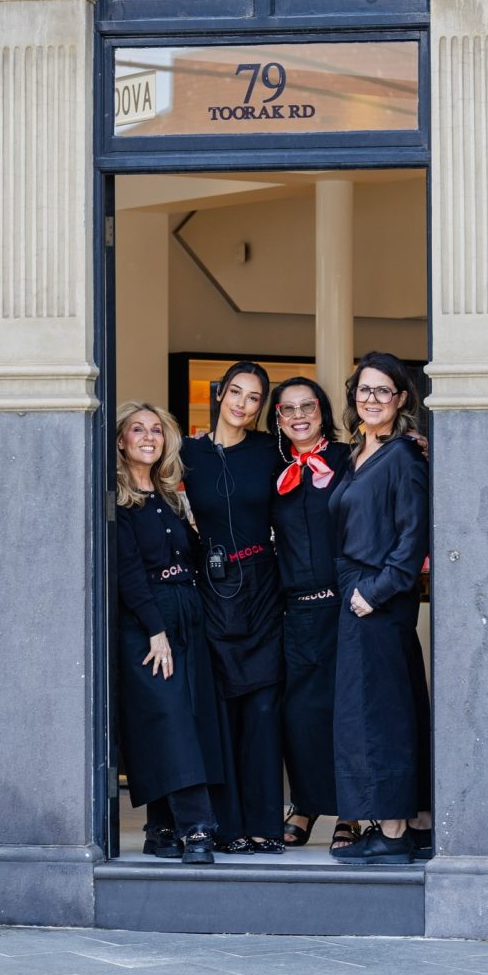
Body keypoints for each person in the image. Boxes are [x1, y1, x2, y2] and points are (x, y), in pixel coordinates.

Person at [328, 351, 432, 865]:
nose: (372, 400)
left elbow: (413, 539)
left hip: (378, 601)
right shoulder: (354, 456)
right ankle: (405, 823)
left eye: (382, 391)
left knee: (380, 714)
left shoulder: (405, 458)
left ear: (401, 399)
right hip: (357, 595)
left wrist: (377, 591)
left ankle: (393, 833)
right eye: (363, 391)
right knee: (368, 710)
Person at [180, 362, 284, 854]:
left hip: (263, 584)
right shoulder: (187, 452)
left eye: (254, 397)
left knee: (262, 708)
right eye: (236, 393)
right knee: (220, 709)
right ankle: (227, 825)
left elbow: (327, 455)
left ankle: (265, 824)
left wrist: (412, 443)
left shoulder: (271, 450)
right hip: (211, 585)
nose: (243, 404)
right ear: (220, 395)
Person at [115, 400, 223, 865]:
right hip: (147, 618)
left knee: (186, 715)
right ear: (121, 440)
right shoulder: (116, 499)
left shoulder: (169, 496)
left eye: (155, 430)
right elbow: (127, 572)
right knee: (169, 718)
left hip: (187, 609)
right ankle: (197, 828)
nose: (148, 437)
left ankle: (161, 829)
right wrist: (155, 630)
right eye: (137, 429)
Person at [267, 376, 360, 855]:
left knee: (343, 712)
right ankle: (304, 804)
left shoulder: (351, 459)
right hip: (295, 609)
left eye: (308, 406)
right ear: (278, 418)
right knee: (299, 714)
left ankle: (350, 811)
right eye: (288, 409)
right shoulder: (273, 465)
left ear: (323, 412)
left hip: (345, 606)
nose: (299, 415)